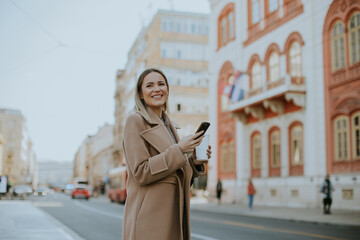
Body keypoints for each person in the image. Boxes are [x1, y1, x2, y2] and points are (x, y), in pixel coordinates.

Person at [122, 68, 212, 240]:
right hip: (149, 220)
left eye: (161, 84)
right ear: (141, 94)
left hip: (173, 216)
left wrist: (193, 161)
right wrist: (179, 150)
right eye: (149, 85)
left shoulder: (169, 125)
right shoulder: (135, 121)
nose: (157, 89)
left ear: (167, 90)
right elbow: (141, 172)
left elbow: (174, 175)